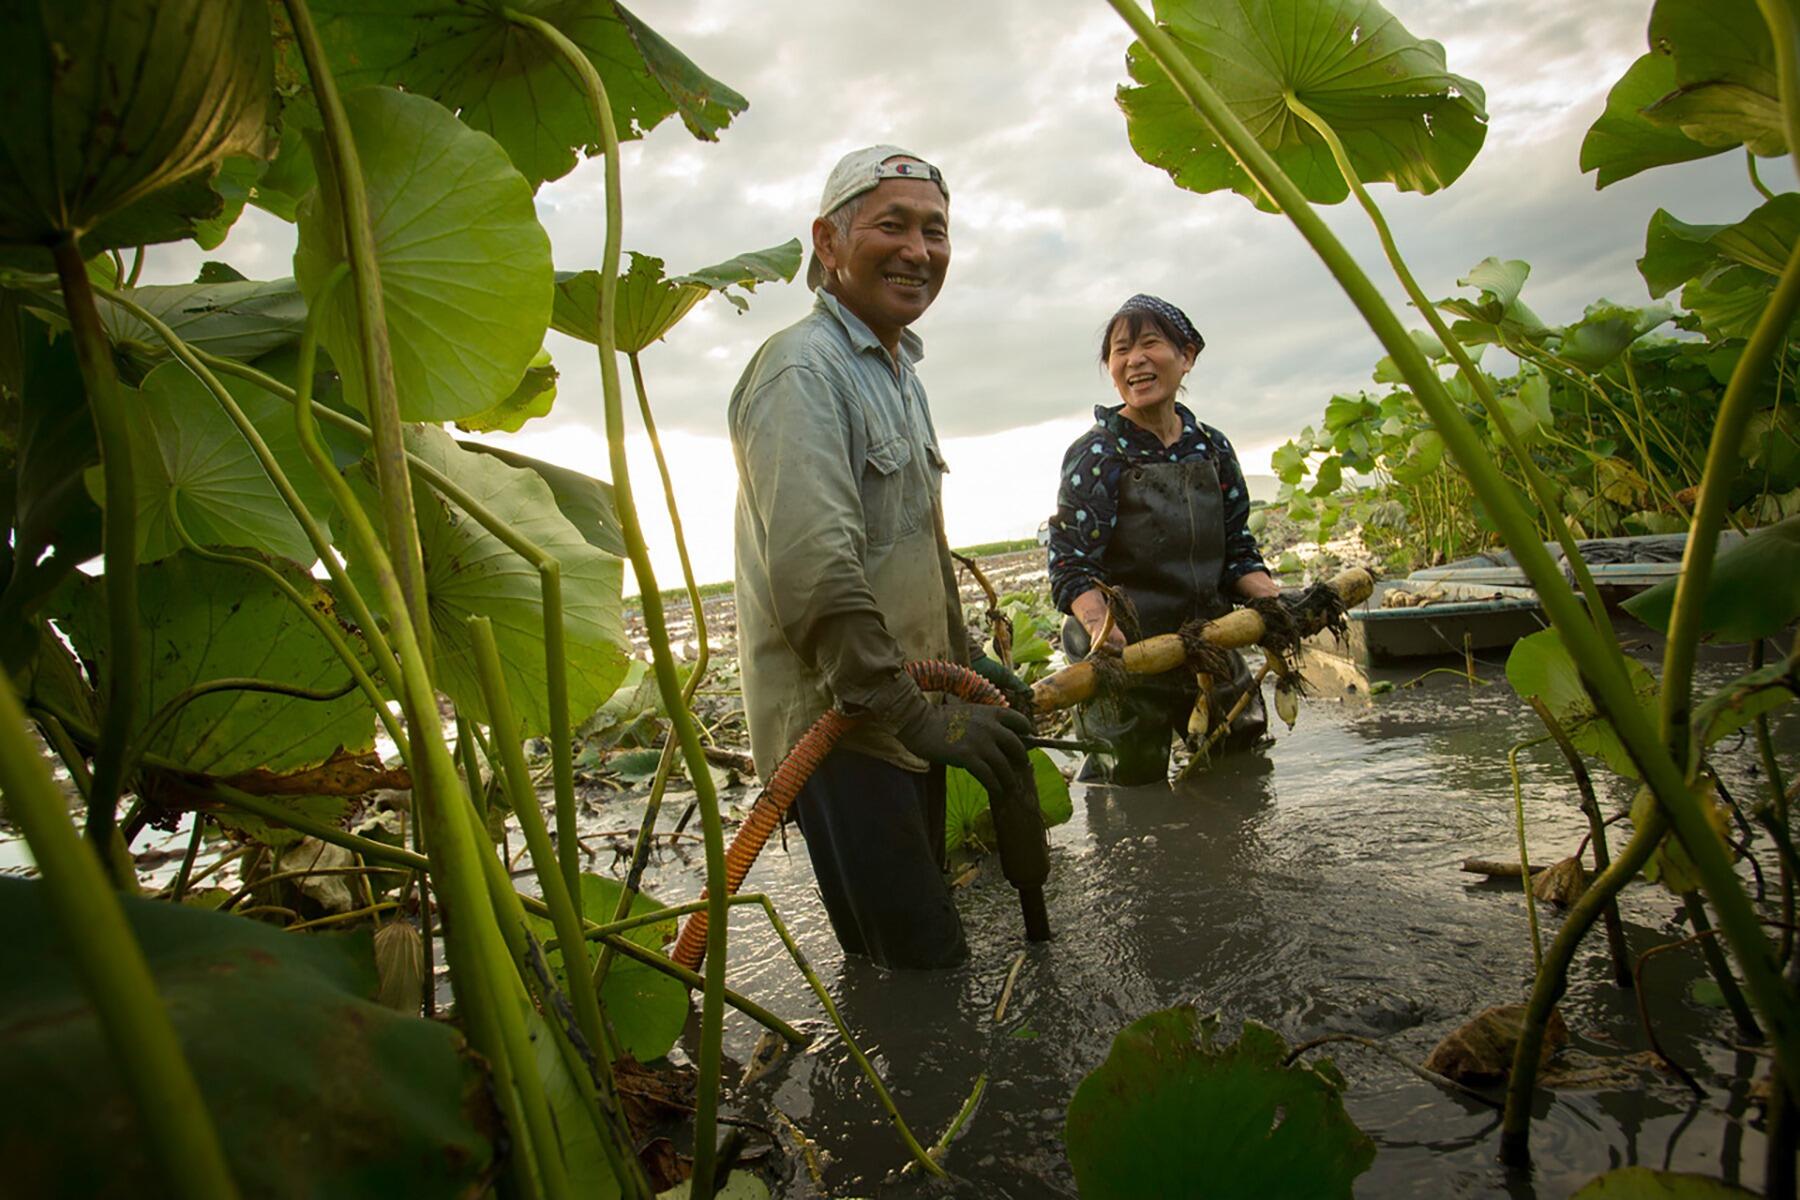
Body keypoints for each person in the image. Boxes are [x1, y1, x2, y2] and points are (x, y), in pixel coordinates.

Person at [729, 146, 1033, 969]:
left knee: (915, 955)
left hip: (907, 709)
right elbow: (820, 574)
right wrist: (914, 714)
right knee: (919, 968)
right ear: (827, 242)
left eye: (935, 231)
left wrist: (970, 670)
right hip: (842, 729)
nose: (919, 250)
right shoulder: (800, 371)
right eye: (891, 225)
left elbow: (917, 551)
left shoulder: (900, 372)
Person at [1046, 294, 1281, 786]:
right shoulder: (1096, 454)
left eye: (1150, 343)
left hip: (1206, 641)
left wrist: (1276, 603)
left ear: (1187, 355)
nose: (1134, 360)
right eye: (1120, 350)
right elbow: (1071, 567)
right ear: (1111, 368)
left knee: (1241, 756)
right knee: (1128, 784)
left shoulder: (1211, 447)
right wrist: (1101, 630)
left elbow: (1238, 549)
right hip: (1122, 654)